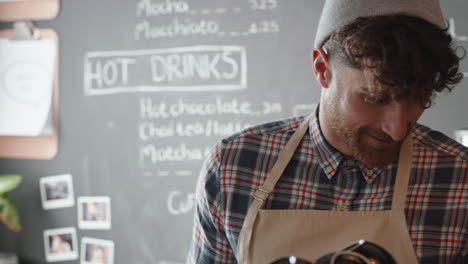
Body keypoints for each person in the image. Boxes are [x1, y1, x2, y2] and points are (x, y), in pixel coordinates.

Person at [187, 0, 467, 263]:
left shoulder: (459, 178)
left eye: (418, 99)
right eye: (375, 98)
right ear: (322, 68)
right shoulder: (233, 168)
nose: (397, 129)